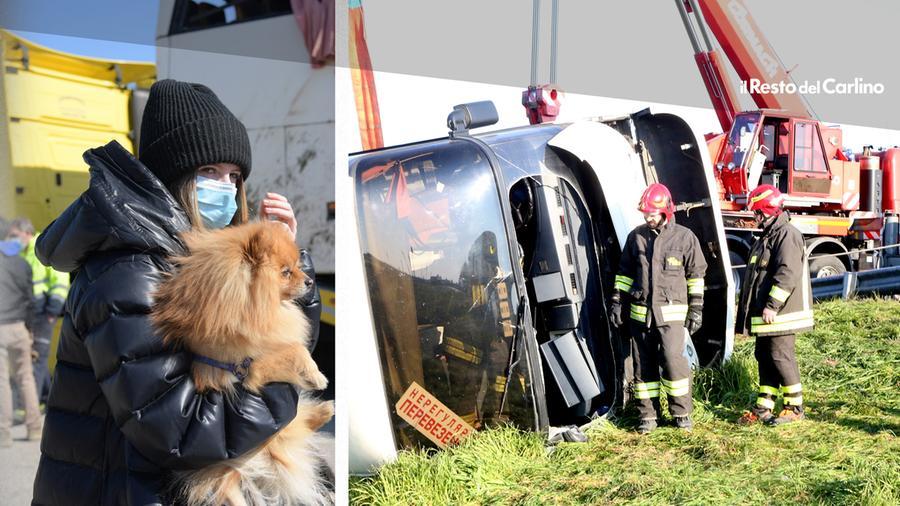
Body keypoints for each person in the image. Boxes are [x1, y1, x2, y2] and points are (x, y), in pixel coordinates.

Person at [31, 79, 320, 505]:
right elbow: (181, 431)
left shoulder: (192, 258)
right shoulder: (127, 271)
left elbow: (268, 341)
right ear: (173, 174)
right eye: (209, 171)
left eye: (234, 175)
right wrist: (285, 381)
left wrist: (286, 269)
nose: (225, 186)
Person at [609, 183, 707, 434]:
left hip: (671, 317)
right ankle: (648, 416)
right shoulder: (636, 237)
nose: (647, 218)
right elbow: (624, 274)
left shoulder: (685, 238)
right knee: (643, 366)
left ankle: (681, 413)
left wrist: (696, 309)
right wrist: (617, 302)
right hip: (640, 315)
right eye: (645, 214)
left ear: (666, 211)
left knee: (674, 362)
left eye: (652, 214)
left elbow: (696, 276)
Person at [736, 184, 813, 426]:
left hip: (780, 315)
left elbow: (787, 274)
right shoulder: (768, 236)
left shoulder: (787, 235)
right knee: (765, 357)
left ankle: (795, 407)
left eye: (757, 212)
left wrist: (772, 305)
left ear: (768, 210)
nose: (755, 218)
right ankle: (764, 406)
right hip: (766, 315)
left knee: (781, 357)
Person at [6, 217, 69, 406]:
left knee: (37, 358)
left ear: (26, 233)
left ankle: (29, 406)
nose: (12, 240)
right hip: (32, 315)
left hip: (45, 314)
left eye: (15, 236)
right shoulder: (25, 252)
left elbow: (60, 282)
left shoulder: (43, 247)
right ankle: (45, 398)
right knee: (36, 356)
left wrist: (52, 312)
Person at [0, 217, 43, 447]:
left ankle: (4, 433)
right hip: (20, 328)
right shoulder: (22, 264)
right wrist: (30, 330)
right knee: (26, 379)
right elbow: (30, 301)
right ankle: (34, 428)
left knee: (2, 382)